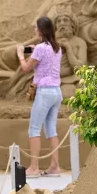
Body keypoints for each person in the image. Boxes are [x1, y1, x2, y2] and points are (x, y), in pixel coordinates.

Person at [15, 16, 64, 177]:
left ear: (41, 29)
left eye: (36, 27)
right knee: (51, 129)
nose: (34, 30)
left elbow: (26, 68)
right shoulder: (56, 47)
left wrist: (21, 54)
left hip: (44, 91)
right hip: (57, 91)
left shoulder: (41, 48)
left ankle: (34, 167)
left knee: (34, 129)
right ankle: (55, 166)